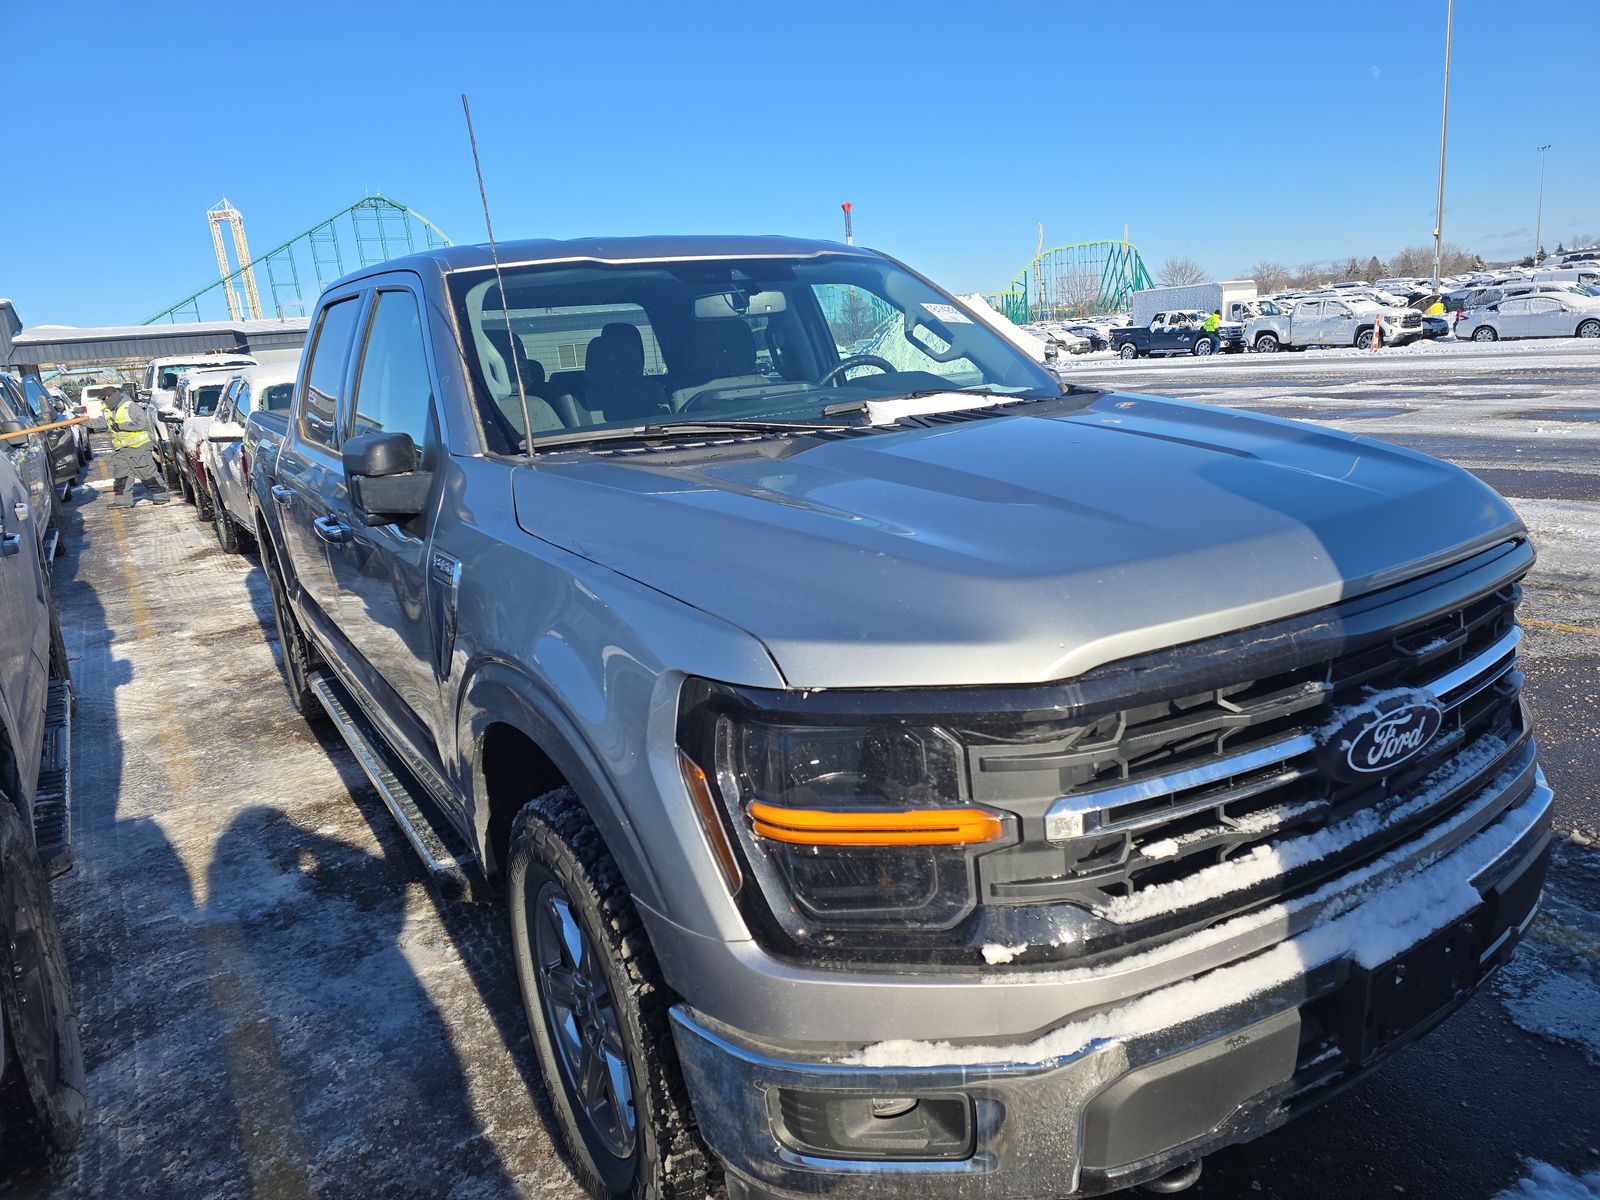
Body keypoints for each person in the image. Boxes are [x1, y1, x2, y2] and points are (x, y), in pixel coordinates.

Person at [107, 386, 170, 508]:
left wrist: (121, 426)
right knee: (121, 476)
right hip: (121, 449)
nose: (103, 401)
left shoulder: (130, 406)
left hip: (138, 447)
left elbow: (141, 423)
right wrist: (80, 421)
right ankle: (122, 501)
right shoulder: (110, 410)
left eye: (105, 398)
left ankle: (161, 495)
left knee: (147, 473)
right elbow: (101, 422)